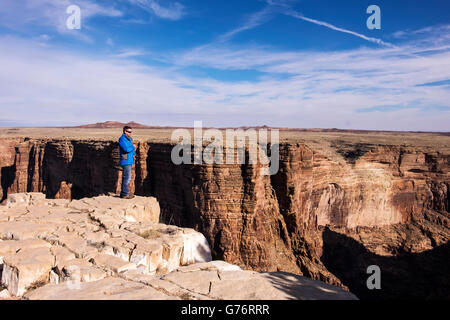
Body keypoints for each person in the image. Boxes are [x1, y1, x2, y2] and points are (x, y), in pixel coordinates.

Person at [118, 125, 136, 199]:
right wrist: (133, 147)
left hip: (129, 160)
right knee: (127, 177)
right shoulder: (122, 139)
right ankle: (125, 194)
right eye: (129, 132)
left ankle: (125, 193)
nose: (130, 133)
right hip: (126, 161)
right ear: (125, 131)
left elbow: (131, 150)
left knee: (127, 177)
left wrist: (134, 154)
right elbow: (126, 149)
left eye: (131, 132)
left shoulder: (129, 139)